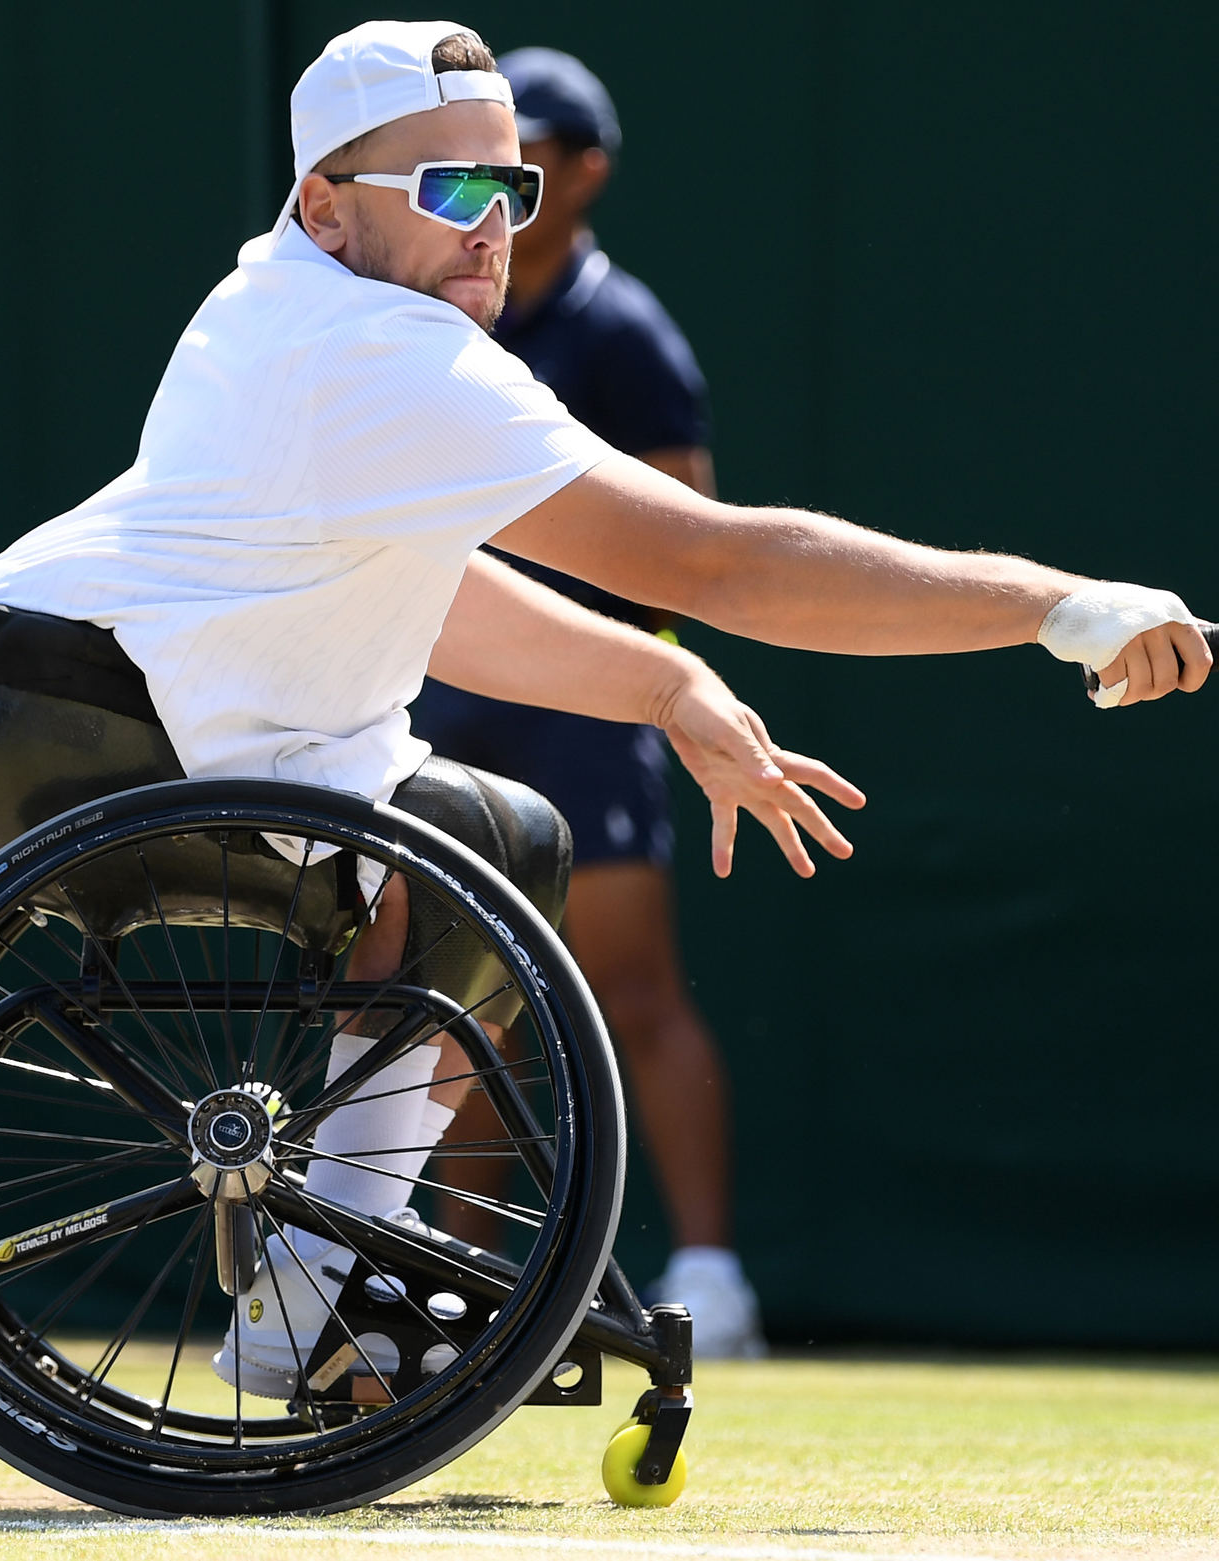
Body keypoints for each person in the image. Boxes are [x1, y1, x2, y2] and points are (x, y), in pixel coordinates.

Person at [0, 20, 1210, 1397]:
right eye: (452, 191)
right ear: (324, 203)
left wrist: (663, 682)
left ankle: (319, 1277)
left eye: (511, 189)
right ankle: (319, 1282)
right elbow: (714, 560)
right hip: (54, 709)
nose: (492, 225)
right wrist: (1052, 603)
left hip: (14, 706)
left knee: (491, 842)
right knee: (470, 848)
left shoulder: (303, 310)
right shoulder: (376, 348)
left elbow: (452, 598)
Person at [404, 47, 763, 1356]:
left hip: (583, 709)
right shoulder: (433, 310)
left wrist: (630, 689)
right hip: (442, 685)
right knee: (456, 988)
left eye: (528, 165)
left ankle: (715, 1277)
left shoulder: (624, 336)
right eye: (475, 171)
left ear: (586, 171)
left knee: (629, 987)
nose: (498, 195)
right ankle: (452, 1270)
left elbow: (685, 540)